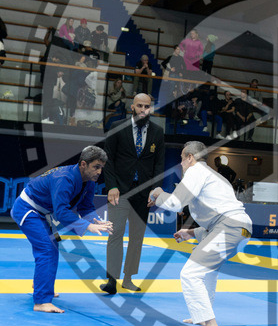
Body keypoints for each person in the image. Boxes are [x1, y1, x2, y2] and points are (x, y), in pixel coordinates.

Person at [148, 141, 252, 326]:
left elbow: (174, 203)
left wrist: (158, 193)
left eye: (182, 160)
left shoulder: (196, 171)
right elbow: (218, 215)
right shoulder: (216, 177)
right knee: (207, 273)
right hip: (241, 230)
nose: (181, 165)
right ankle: (204, 318)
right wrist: (192, 233)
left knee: (190, 273)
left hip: (229, 227)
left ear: (190, 157)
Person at [10, 145, 114, 313]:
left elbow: (85, 208)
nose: (99, 172)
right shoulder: (65, 178)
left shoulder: (89, 182)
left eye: (101, 168)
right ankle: (41, 301)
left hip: (42, 212)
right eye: (96, 167)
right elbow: (61, 212)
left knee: (51, 247)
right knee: (46, 248)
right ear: (83, 164)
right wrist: (87, 226)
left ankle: (40, 285)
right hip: (27, 208)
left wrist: (96, 222)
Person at [102, 93, 165, 294]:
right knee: (116, 234)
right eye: (139, 106)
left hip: (144, 193)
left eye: (146, 106)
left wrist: (155, 191)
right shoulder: (116, 127)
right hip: (119, 191)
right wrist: (111, 186)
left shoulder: (157, 131)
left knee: (137, 238)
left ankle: (128, 279)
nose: (143, 110)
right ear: (132, 107)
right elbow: (108, 159)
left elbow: (159, 165)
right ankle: (112, 280)